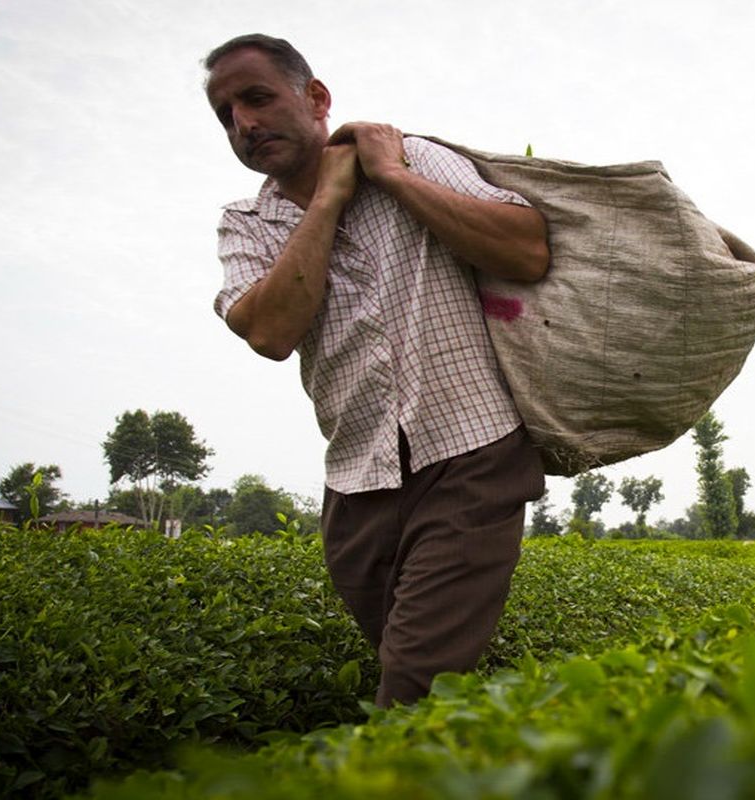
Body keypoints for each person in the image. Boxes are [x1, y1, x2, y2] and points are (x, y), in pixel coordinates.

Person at [203, 34, 550, 707]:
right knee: (416, 667)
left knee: (413, 684)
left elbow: (527, 250)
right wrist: (329, 201)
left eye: (257, 98)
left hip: (470, 454)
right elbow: (271, 333)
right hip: (357, 481)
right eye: (225, 115)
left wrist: (390, 177)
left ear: (317, 99)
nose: (243, 123)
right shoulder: (244, 224)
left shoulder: (412, 158)